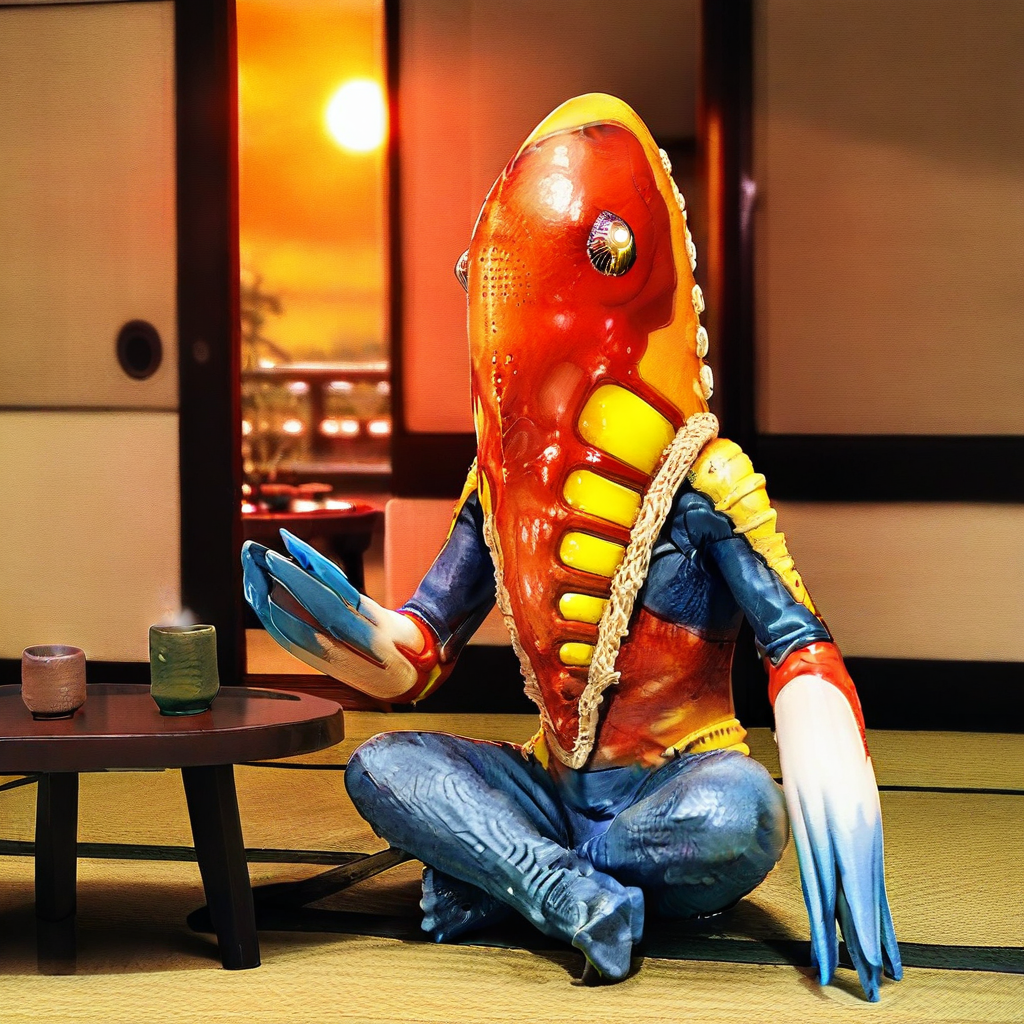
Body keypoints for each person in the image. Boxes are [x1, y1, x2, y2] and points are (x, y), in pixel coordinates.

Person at [242, 94, 901, 1000]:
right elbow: (424, 646)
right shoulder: (496, 487)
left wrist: (828, 750)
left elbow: (796, 641)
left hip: (675, 786)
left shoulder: (703, 476)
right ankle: (566, 891)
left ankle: (508, 878)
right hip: (549, 784)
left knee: (747, 816)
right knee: (383, 767)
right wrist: (346, 628)